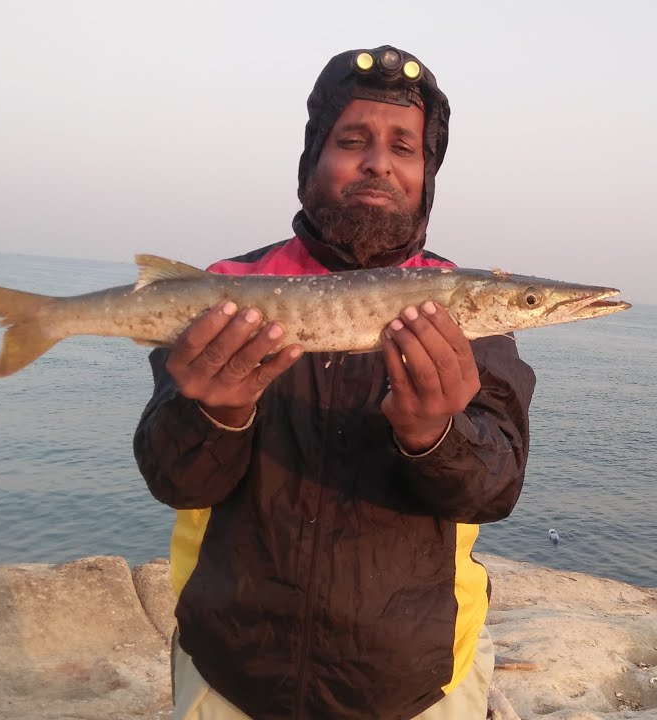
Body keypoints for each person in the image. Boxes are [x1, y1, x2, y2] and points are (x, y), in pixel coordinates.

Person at [133, 44, 536, 720]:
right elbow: (176, 482)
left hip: (417, 684)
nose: (379, 160)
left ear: (425, 175)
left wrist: (434, 436)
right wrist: (218, 415)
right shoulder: (228, 292)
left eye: (405, 148)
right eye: (353, 140)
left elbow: (494, 490)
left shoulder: (466, 317)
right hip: (230, 672)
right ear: (312, 160)